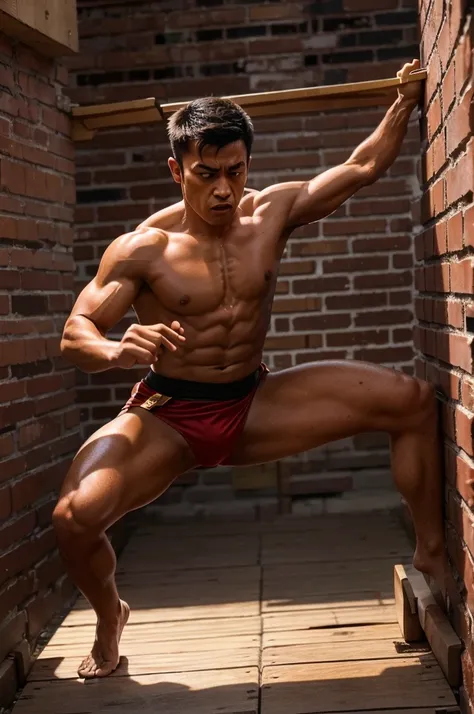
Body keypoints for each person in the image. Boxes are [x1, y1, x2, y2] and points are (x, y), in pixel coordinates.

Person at [55, 58, 447, 678]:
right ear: (176, 169)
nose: (223, 190)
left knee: (411, 400)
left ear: (247, 165)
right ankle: (110, 621)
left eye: (234, 171)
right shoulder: (142, 249)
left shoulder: (271, 215)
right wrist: (115, 350)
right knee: (74, 519)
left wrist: (403, 100)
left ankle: (431, 554)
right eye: (206, 174)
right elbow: (75, 332)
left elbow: (363, 167)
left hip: (251, 402)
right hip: (168, 417)